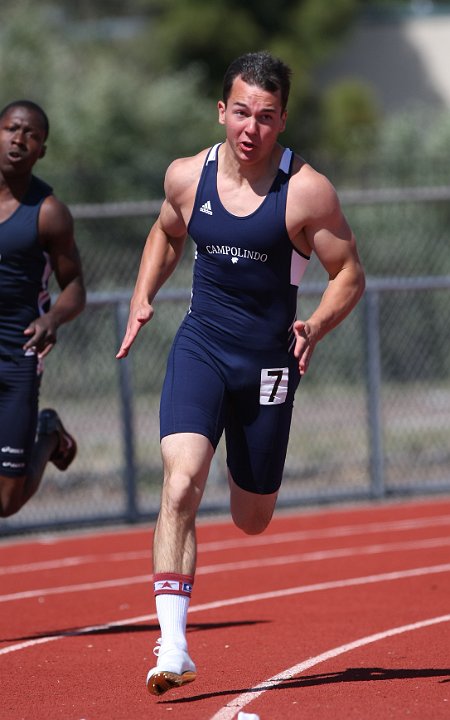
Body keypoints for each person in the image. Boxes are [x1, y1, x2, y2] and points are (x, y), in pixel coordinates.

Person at [117, 51, 365, 696]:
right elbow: (168, 233)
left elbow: (349, 274)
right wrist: (144, 293)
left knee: (252, 518)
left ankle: (243, 463)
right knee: (180, 486)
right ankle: (173, 647)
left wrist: (313, 325)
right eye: (241, 113)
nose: (250, 127)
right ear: (221, 111)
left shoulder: (306, 191)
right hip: (200, 346)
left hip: (267, 366)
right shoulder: (186, 176)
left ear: (281, 120)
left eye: (266, 116)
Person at [0, 100, 86, 518]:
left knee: (5, 501)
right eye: (11, 129)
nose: (19, 139)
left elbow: (75, 288)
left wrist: (52, 319)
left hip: (17, 354)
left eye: (31, 134)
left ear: (42, 150)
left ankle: (48, 433)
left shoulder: (49, 213)